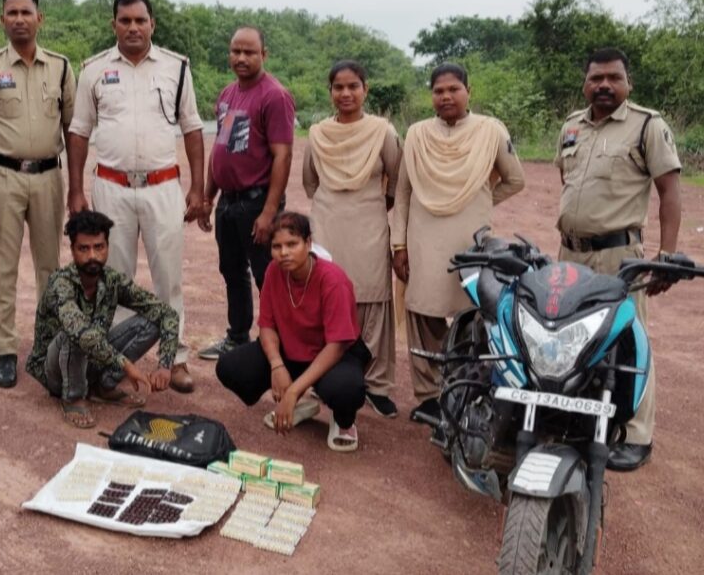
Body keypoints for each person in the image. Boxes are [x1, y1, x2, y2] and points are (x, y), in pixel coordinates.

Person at [66, 0, 204, 393]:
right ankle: (118, 364)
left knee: (169, 279)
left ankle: (175, 359)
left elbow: (192, 127)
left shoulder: (177, 68)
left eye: (140, 21)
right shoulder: (94, 69)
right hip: (111, 187)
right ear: (114, 26)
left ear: (152, 24)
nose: (133, 27)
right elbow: (79, 131)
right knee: (113, 279)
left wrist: (197, 186)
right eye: (124, 21)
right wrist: (76, 190)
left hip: (163, 187)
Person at [555, 47, 682, 472]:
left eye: (613, 78)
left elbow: (670, 191)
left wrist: (666, 254)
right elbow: (567, 180)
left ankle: (635, 435)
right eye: (596, 78)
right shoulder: (572, 126)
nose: (604, 85)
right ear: (585, 83)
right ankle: (582, 417)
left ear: (628, 83)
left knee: (629, 341)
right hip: (570, 252)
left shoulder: (647, 125)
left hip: (619, 255)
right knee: (571, 335)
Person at [392, 63, 525, 426]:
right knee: (422, 311)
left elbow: (515, 179)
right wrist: (398, 245)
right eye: (439, 91)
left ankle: (471, 390)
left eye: (454, 89)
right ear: (431, 96)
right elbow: (402, 194)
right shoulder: (417, 134)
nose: (446, 96)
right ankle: (428, 397)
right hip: (422, 240)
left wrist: (480, 201)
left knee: (475, 313)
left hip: (470, 241)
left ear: (469, 91)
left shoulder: (490, 131)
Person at [0, 0, 76, 389]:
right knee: (3, 267)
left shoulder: (62, 67)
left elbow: (72, 128)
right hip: (3, 176)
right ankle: (7, 351)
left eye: (26, 12)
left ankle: (47, 347)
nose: (18, 19)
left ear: (39, 18)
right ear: (2, 20)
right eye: (11, 13)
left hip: (49, 176)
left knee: (50, 268)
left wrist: (76, 185)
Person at [216, 212, 369, 452]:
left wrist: (293, 390)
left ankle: (343, 421)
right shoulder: (273, 272)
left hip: (332, 355)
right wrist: (277, 366)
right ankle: (295, 403)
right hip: (291, 350)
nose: (284, 253)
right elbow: (266, 325)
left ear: (308, 244)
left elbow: (338, 344)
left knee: (346, 389)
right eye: (277, 246)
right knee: (230, 367)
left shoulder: (333, 279)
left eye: (292, 244)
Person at [303, 60, 401, 418]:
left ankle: (376, 385)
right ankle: (326, 376)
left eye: (353, 87)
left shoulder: (383, 132)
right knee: (328, 297)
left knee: (371, 299)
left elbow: (396, 180)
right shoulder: (317, 134)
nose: (345, 94)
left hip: (369, 225)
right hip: (328, 225)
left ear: (365, 90)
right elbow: (311, 182)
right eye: (338, 87)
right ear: (330, 92)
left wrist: (370, 206)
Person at [25, 211, 179, 428]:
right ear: (72, 250)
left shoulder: (111, 280)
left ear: (107, 246)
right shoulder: (60, 283)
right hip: (55, 372)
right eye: (84, 249)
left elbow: (167, 313)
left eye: (99, 247)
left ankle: (103, 386)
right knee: (76, 331)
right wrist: (125, 365)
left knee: (152, 321)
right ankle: (73, 396)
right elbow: (79, 331)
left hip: (92, 360)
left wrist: (165, 365)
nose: (92, 256)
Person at [197, 26, 295, 360]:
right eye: (235, 51)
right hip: (229, 202)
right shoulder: (228, 93)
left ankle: (281, 347)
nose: (241, 58)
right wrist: (209, 198)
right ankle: (238, 337)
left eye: (249, 52)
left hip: (257, 201)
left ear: (264, 55)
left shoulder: (274, 96)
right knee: (232, 271)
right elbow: (220, 149)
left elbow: (282, 155)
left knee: (268, 276)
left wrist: (269, 213)